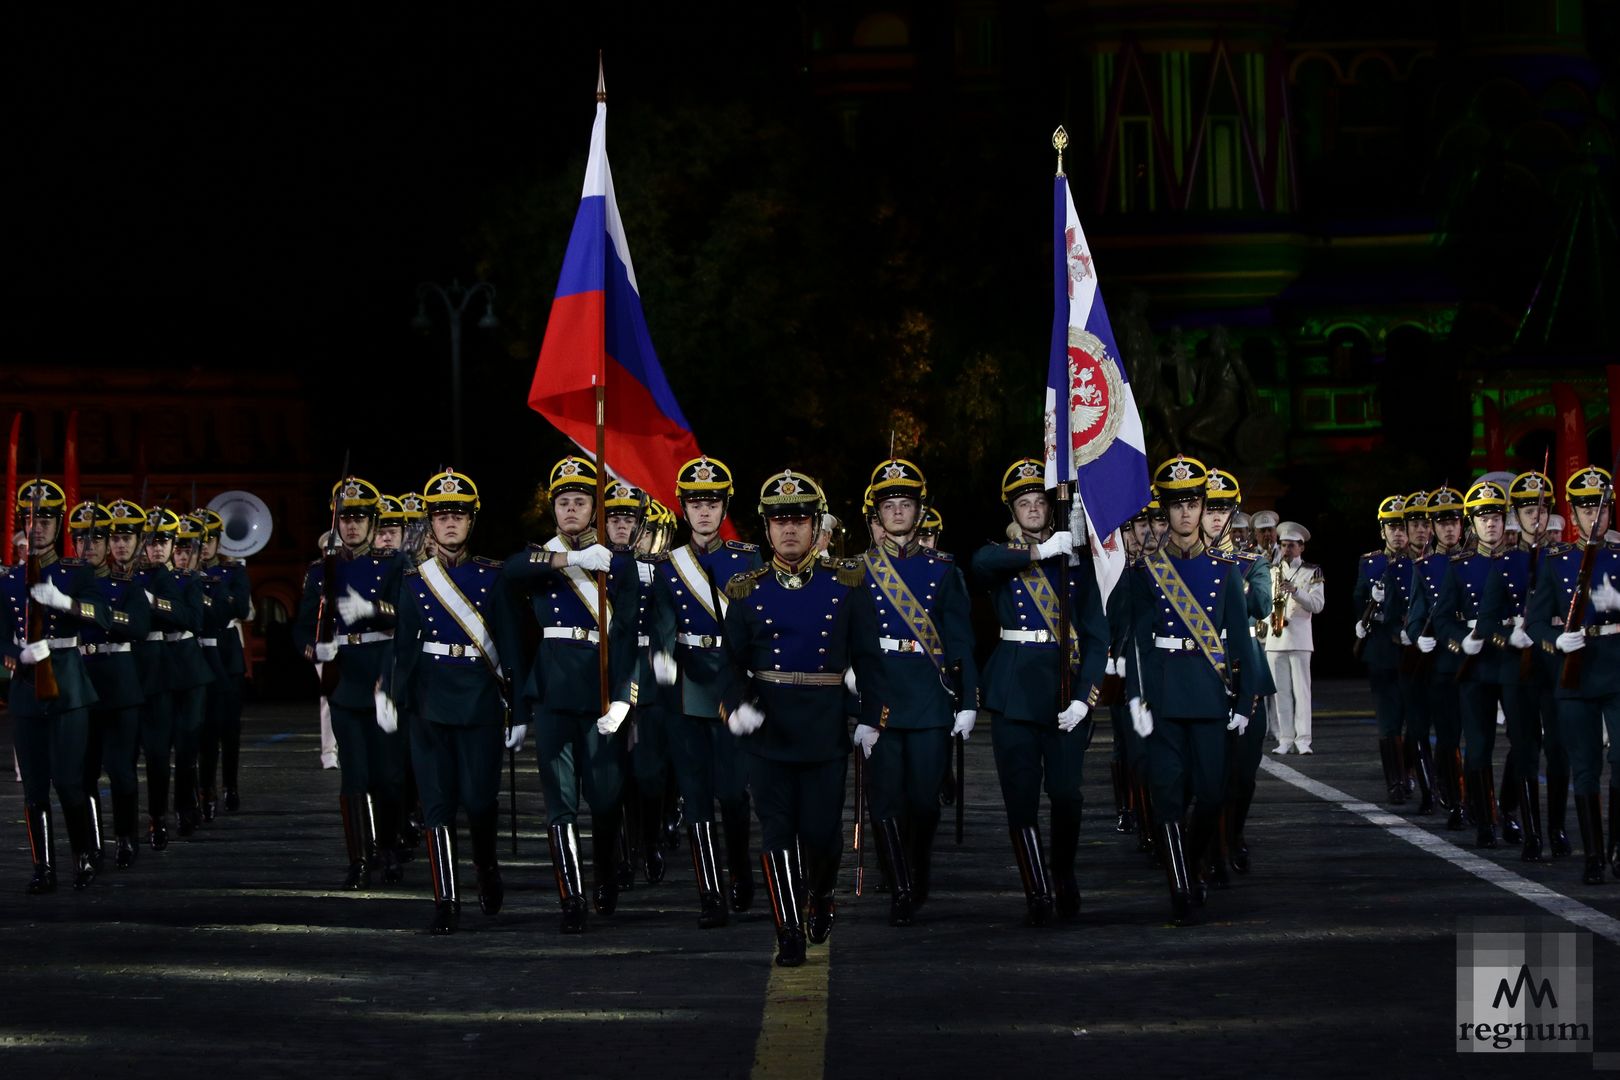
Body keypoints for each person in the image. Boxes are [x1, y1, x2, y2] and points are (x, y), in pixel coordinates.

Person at [717, 470, 879, 966]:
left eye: (800, 520)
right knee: (777, 833)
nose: (789, 530)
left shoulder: (846, 583)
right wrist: (736, 706)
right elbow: (730, 663)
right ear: (766, 530)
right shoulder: (746, 590)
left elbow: (869, 658)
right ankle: (787, 930)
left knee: (822, 835)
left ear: (816, 526)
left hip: (824, 729)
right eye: (779, 521)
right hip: (769, 730)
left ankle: (822, 894)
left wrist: (871, 716)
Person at [382, 469, 524, 933]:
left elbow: (511, 643)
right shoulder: (412, 581)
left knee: (480, 801)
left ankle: (485, 866)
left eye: (458, 515)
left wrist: (518, 709)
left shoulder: (493, 576)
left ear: (471, 522)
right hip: (428, 702)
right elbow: (403, 645)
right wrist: (390, 693)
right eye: (441, 515)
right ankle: (446, 898)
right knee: (437, 804)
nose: (449, 523)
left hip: (480, 701)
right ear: (430, 522)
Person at [1123, 456, 1260, 925]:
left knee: (1212, 794)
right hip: (1162, 691)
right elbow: (1139, 640)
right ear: (1165, 509)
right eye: (1176, 504)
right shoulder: (1145, 571)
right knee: (1166, 794)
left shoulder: (1225, 570)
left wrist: (1245, 700)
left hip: (1207, 691)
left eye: (1193, 503)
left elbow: (1241, 641)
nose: (1185, 513)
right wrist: (1135, 696)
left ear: (1204, 508)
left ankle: (1195, 864)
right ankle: (1181, 884)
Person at [970, 459, 1108, 925]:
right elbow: (981, 563)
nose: (1032, 509)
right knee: (1020, 796)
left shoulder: (1078, 563)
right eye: (1023, 503)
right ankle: (1037, 889)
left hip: (1064, 690)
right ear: (1013, 510)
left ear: (1052, 507)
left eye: (1039, 501)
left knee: (1068, 793)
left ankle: (1063, 872)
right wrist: (1039, 552)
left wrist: (1084, 696)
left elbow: (1096, 637)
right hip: (1014, 693)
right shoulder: (1005, 556)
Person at [503, 456, 627, 933]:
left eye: (580, 501)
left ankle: (605, 876)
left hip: (600, 687)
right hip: (554, 691)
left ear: (594, 509)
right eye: (563, 502)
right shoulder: (545, 557)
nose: (571, 509)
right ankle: (571, 897)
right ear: (553, 510)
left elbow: (630, 629)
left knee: (605, 796)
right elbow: (512, 570)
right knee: (560, 801)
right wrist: (572, 559)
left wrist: (624, 694)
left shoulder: (617, 561)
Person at [852, 458, 978, 926]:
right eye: (890, 505)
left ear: (919, 512)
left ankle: (917, 869)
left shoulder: (944, 571)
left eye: (906, 504)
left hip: (928, 698)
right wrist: (852, 693)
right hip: (880, 697)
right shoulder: (857, 571)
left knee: (924, 801)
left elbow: (961, 639)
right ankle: (900, 885)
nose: (898, 512)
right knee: (885, 800)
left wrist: (967, 701)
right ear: (877, 515)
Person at [642, 456, 763, 927]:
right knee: (694, 797)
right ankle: (709, 894)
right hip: (688, 686)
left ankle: (739, 873)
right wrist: (663, 656)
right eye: (696, 503)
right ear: (683, 509)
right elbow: (663, 622)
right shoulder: (670, 565)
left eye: (712, 502)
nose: (704, 511)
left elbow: (755, 624)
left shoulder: (746, 559)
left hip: (731, 680)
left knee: (733, 793)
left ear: (724, 507)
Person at [293, 477, 407, 887]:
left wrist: (371, 609)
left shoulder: (394, 564)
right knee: (354, 774)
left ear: (374, 524)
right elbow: (302, 627)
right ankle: (360, 857)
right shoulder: (322, 569)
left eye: (360, 519)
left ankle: (390, 847)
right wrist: (314, 649)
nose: (352, 527)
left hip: (382, 671)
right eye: (346, 519)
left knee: (389, 775)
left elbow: (406, 616)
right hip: (344, 676)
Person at [3, 479, 110, 892]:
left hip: (67, 684)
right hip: (26, 689)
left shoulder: (77, 573)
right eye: (31, 519)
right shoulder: (8, 578)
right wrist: (13, 654)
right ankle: (42, 867)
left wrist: (65, 603)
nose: (39, 527)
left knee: (69, 781)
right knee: (34, 788)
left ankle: (83, 855)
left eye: (46, 518)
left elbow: (101, 616)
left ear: (59, 523)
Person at [1526, 465, 1619, 885]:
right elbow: (1535, 622)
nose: (1593, 518)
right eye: (1584, 510)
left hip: (1617, 668)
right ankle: (1594, 856)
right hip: (1576, 673)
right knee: (1585, 765)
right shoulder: (1556, 560)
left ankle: (1617, 846)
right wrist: (1555, 642)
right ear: (1574, 514)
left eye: (1599, 510)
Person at [1475, 470, 1558, 860]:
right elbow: (1488, 621)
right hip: (1517, 665)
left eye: (1541, 510)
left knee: (1558, 750)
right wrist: (1510, 638)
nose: (1535, 518)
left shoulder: (1566, 559)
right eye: (1527, 511)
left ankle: (1556, 828)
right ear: (1517, 516)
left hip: (1557, 663)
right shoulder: (1505, 564)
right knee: (1525, 748)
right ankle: (1532, 832)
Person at [69, 500, 152, 871]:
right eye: (81, 541)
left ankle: (126, 838)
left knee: (120, 770)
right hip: (79, 682)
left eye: (96, 541)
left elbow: (137, 626)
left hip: (118, 682)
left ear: (107, 544)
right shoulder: (64, 582)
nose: (88, 548)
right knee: (83, 772)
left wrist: (96, 614)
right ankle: (92, 843)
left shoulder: (125, 585)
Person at [1432, 480, 1514, 848]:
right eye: (1483, 519)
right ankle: (1485, 820)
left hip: (1515, 658)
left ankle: (1510, 812)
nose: (1491, 525)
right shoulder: (1459, 567)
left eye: (1496, 517)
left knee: (1524, 744)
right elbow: (1444, 619)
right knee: (1478, 743)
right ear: (1472, 524)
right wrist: (1458, 642)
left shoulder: (1522, 563)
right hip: (1475, 662)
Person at [1201, 468, 1274, 882]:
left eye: (1222, 509)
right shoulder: (1183, 566)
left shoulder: (1251, 563)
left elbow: (1261, 605)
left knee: (1244, 773)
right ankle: (1214, 845)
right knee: (1211, 771)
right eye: (1209, 509)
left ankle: (1236, 833)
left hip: (1246, 669)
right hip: (1204, 670)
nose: (1214, 517)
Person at [1405, 486, 1469, 829]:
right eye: (1442, 523)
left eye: (1454, 522)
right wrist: (1418, 637)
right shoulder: (1425, 568)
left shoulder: (1478, 561)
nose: (1448, 529)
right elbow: (1416, 616)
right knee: (1447, 736)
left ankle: (1479, 802)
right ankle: (1456, 800)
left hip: (1476, 661)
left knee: (1476, 737)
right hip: (1443, 664)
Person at [192, 507, 251, 819]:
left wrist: (215, 591)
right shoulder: (185, 574)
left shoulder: (233, 572)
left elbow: (240, 607)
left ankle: (229, 784)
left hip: (227, 656)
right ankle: (205, 788)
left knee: (229, 729)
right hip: (197, 654)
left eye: (208, 540)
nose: (203, 547)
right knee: (201, 730)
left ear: (217, 542)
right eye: (197, 541)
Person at [1353, 495, 1409, 799]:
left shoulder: (1416, 561)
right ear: (1383, 531)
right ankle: (1396, 782)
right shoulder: (1370, 561)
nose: (1397, 533)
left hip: (1411, 649)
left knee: (1413, 721)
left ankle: (1410, 772)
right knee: (1388, 722)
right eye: (1392, 528)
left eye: (1401, 527)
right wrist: (1361, 617)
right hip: (1381, 650)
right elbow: (1358, 598)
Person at [1265, 522, 1324, 763]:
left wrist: (1296, 591)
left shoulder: (1312, 571)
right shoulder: (1271, 570)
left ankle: (1304, 739)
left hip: (1299, 637)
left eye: (1291, 545)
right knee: (1280, 693)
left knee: (1302, 691)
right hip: (1275, 638)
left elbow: (1318, 606)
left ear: (1301, 547)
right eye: (1283, 545)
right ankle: (1285, 739)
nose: (1286, 549)